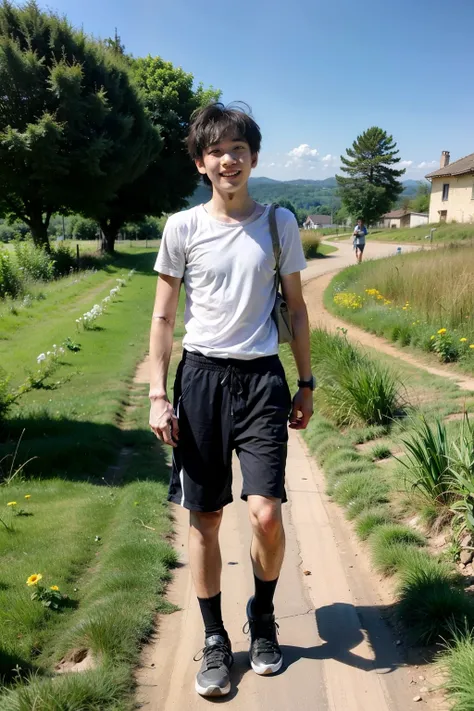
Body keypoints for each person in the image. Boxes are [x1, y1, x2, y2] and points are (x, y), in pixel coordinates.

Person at [149, 102, 314, 698]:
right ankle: (215, 638)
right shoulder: (182, 228)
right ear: (201, 163)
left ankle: (262, 616)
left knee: (266, 515)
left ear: (253, 157)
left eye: (238, 149)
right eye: (216, 151)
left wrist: (306, 382)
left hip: (263, 381)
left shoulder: (279, 223)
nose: (228, 159)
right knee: (207, 517)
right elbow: (164, 317)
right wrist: (155, 395)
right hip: (199, 383)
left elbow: (296, 309)